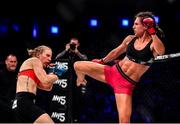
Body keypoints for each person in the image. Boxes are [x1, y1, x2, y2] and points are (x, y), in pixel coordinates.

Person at [73, 11, 165, 123]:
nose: (133, 26)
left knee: (124, 121)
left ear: (145, 26)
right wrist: (103, 61)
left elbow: (161, 51)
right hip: (113, 72)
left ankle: (81, 80)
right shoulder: (130, 39)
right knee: (77, 65)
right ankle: (81, 80)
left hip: (125, 84)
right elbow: (116, 52)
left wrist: (152, 31)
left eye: (136, 24)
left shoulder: (152, 44)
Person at [12, 45, 59, 123]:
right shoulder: (35, 60)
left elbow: (47, 87)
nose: (50, 59)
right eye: (47, 55)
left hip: (20, 103)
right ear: (38, 54)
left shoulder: (34, 68)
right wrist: (56, 76)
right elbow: (45, 80)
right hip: (24, 101)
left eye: (51, 57)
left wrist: (53, 73)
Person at [55, 37, 88, 122]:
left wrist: (77, 52)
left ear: (78, 45)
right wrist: (66, 50)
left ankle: (76, 119)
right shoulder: (65, 53)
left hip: (77, 82)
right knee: (66, 102)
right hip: (65, 82)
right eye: (72, 44)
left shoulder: (80, 54)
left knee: (77, 103)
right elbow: (57, 58)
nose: (73, 46)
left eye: (75, 44)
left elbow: (86, 59)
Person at [0, 54, 18, 122]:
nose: (13, 64)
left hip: (16, 109)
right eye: (11, 61)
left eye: (15, 62)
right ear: (6, 62)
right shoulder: (1, 74)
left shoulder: (19, 74)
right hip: (3, 110)